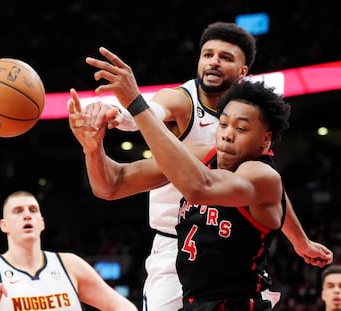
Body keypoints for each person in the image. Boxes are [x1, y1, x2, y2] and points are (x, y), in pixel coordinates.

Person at [78, 22, 333, 311]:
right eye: (208, 54)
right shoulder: (185, 107)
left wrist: (299, 241)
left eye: (225, 57)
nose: (226, 133)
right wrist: (95, 144)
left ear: (242, 72)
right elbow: (112, 183)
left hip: (233, 283)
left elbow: (209, 188)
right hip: (175, 248)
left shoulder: (258, 166)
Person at [70, 73, 294, 309]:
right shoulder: (202, 155)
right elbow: (111, 185)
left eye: (241, 128)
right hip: (193, 303)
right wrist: (93, 149)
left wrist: (137, 105)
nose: (227, 134)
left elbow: (200, 187)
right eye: (224, 124)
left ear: (265, 141)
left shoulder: (263, 176)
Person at [0, 190, 138, 311]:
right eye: (18, 211)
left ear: (42, 222)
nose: (27, 215)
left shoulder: (70, 265)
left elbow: (124, 308)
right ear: (4, 225)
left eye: (33, 210)